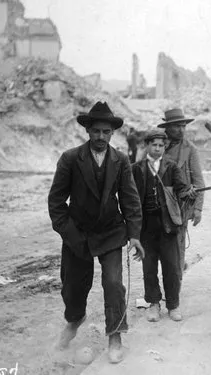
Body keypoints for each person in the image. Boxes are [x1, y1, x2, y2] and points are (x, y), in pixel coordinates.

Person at [48, 102, 145, 363]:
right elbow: (56, 202)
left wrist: (134, 234)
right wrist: (69, 233)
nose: (101, 137)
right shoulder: (70, 159)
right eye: (96, 131)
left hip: (111, 232)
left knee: (113, 284)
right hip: (77, 233)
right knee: (73, 287)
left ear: (113, 133)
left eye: (106, 132)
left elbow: (130, 199)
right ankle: (74, 319)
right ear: (87, 131)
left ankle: (115, 333)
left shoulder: (121, 160)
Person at [132, 130, 196, 322]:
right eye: (154, 145)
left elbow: (182, 189)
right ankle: (153, 304)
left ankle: (173, 305)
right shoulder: (136, 169)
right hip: (145, 228)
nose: (157, 148)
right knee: (148, 268)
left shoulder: (171, 167)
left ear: (164, 147)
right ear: (147, 146)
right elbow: (130, 197)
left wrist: (189, 193)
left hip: (168, 226)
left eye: (161, 145)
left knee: (171, 267)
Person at [159, 108, 205, 272]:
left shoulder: (190, 149)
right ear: (167, 128)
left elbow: (198, 180)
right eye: (177, 126)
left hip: (180, 204)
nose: (181, 130)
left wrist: (198, 208)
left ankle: (175, 281)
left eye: (183, 126)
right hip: (157, 203)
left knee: (178, 243)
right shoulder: (157, 144)